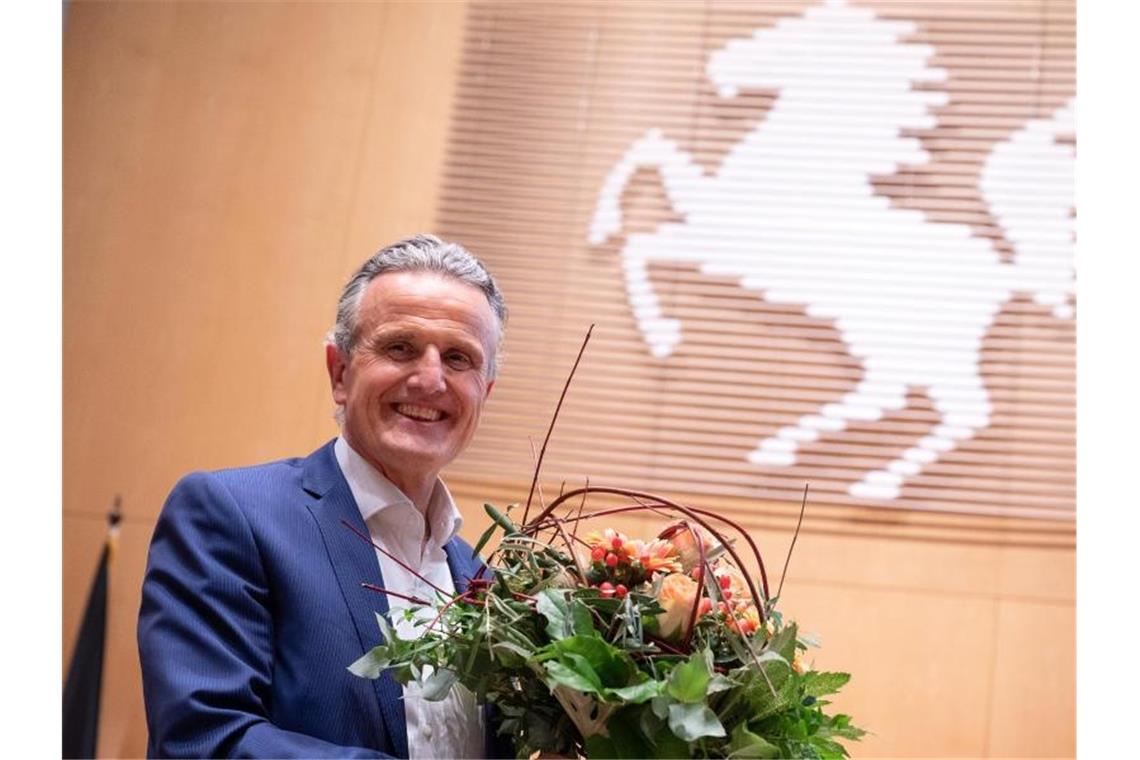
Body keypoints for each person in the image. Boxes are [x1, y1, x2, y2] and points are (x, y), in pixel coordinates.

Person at [137, 234, 511, 758]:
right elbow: (204, 740)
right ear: (340, 371)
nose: (430, 379)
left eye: (458, 358)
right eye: (400, 347)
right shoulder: (231, 515)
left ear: (484, 394)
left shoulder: (483, 581)